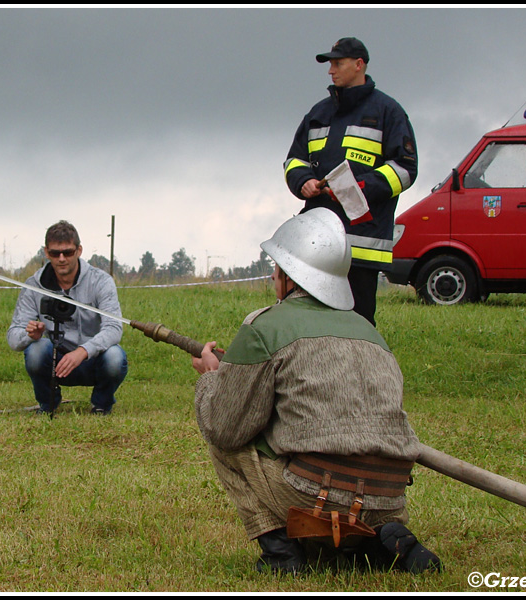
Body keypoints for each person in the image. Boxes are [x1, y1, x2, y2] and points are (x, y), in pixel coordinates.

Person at [191, 208, 441, 574]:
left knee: (224, 441)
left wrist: (213, 379)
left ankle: (281, 553)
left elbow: (226, 425)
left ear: (287, 276)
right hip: (389, 495)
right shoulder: (370, 331)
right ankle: (380, 535)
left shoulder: (264, 326)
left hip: (317, 493)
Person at [283, 37, 418, 326]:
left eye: (338, 63)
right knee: (312, 322)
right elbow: (293, 160)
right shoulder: (318, 113)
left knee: (358, 326)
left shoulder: (388, 112)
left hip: (362, 244)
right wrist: (303, 181)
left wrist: (358, 188)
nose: (331, 71)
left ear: (359, 65)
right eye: (330, 64)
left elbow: (405, 169)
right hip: (317, 242)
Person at [7, 220, 128, 415]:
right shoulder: (33, 286)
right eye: (55, 253)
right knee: (36, 351)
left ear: (79, 250)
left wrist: (82, 351)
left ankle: (101, 405)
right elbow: (13, 337)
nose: (62, 258)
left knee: (115, 357)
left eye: (68, 252)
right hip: (56, 360)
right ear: (46, 253)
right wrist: (31, 335)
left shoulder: (101, 281)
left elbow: (114, 328)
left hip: (92, 358)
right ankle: (48, 404)